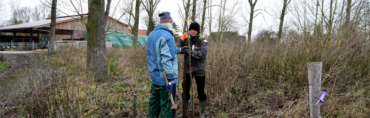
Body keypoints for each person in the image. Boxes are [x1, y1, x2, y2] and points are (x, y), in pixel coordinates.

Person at [146, 11, 187, 118]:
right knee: (167, 106)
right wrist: (170, 79)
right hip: (165, 80)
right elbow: (166, 59)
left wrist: (179, 50)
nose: (172, 25)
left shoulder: (151, 34)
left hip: (154, 77)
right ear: (168, 24)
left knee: (153, 106)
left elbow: (158, 52)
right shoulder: (167, 35)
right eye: (171, 24)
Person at [178, 22, 208, 118]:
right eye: (191, 30)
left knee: (201, 92)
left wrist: (190, 52)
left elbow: (202, 54)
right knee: (185, 91)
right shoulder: (187, 39)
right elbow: (179, 50)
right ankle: (184, 113)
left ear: (198, 31)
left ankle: (202, 113)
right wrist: (181, 41)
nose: (193, 32)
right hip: (188, 69)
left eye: (195, 30)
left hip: (199, 69)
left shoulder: (203, 40)